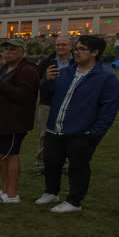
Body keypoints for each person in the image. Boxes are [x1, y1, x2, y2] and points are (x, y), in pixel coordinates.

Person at [37, 35, 119, 213]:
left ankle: (74, 201)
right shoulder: (66, 71)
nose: (76, 52)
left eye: (81, 49)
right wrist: (46, 81)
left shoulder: (106, 77)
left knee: (78, 166)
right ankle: (51, 192)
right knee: (51, 161)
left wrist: (94, 133)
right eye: (76, 49)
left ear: (95, 52)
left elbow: (109, 108)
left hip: (81, 131)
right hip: (55, 127)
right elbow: (47, 93)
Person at [0, 39, 40, 203]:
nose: (8, 53)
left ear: (23, 52)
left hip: (14, 120)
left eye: (13, 50)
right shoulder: (7, 67)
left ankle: (12, 193)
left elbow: (23, 95)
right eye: (6, 49)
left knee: (11, 154)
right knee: (1, 154)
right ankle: (5, 190)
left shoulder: (28, 70)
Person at [34, 35, 74, 174]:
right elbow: (36, 83)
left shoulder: (76, 62)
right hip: (48, 103)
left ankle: (66, 164)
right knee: (45, 134)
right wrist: (46, 78)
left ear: (71, 46)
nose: (60, 47)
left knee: (68, 134)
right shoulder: (47, 63)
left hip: (70, 103)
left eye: (64, 44)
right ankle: (42, 164)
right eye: (58, 45)